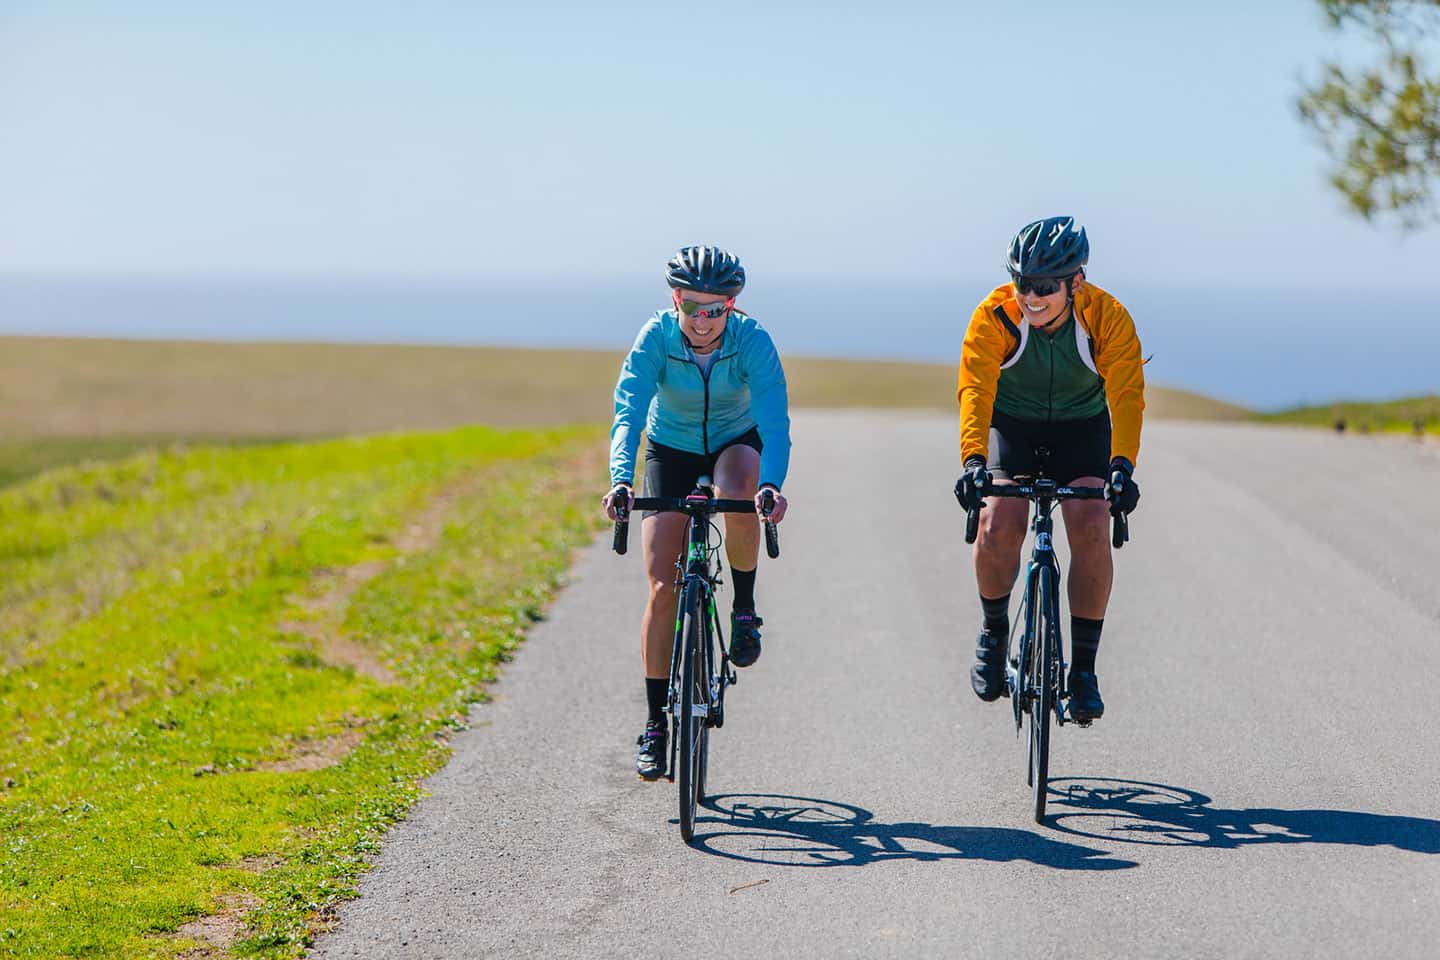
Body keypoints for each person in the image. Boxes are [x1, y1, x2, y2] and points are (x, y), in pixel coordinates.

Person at [603, 245, 791, 779]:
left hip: (735, 440)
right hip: (671, 448)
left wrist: (772, 486)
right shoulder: (656, 338)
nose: (704, 321)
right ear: (675, 300)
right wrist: (620, 478)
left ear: (732, 306)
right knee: (663, 587)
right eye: (693, 308)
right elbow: (628, 411)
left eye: (717, 309)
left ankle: (745, 609)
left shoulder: (752, 340)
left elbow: (775, 422)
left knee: (740, 485)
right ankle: (655, 722)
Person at [953, 217, 1144, 723]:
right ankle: (994, 632)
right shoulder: (995, 315)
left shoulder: (1108, 317)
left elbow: (1126, 394)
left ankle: (1083, 669)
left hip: (1082, 430)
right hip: (1012, 429)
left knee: (1091, 524)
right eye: (1022, 284)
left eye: (1043, 288)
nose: (1030, 298)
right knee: (998, 523)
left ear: (1075, 283)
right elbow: (975, 389)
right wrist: (973, 459)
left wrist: (1122, 465)